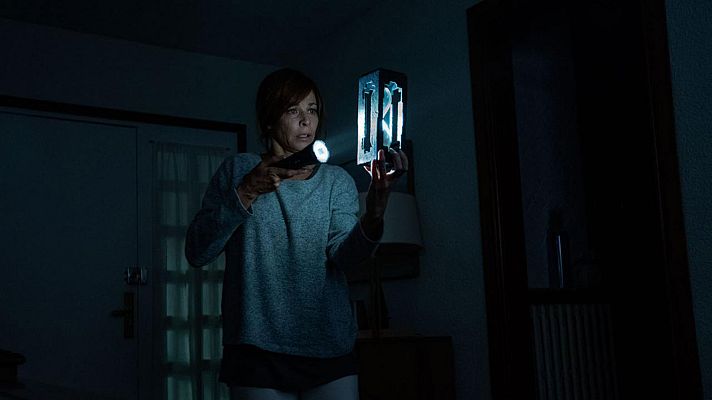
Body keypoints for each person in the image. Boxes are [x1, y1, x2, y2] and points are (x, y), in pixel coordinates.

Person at [185, 68, 407, 400]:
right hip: (256, 349)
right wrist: (246, 191)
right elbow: (197, 251)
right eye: (293, 110)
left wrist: (374, 212)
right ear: (269, 121)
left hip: (329, 347)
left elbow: (346, 258)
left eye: (312, 110)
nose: (306, 120)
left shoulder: (336, 181)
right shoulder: (238, 170)